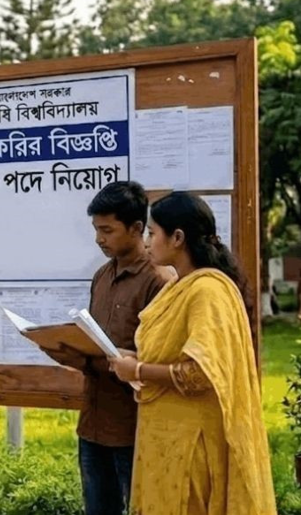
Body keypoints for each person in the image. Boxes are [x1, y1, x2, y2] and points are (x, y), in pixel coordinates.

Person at [109, 192, 276, 515]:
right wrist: (129, 357)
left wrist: (138, 371)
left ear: (177, 238)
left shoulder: (207, 291)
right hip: (164, 439)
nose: (147, 243)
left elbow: (200, 374)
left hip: (192, 445)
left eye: (152, 233)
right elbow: (169, 353)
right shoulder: (177, 286)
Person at [42, 181, 170, 515]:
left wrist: (95, 361)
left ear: (137, 228)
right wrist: (68, 351)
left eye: (107, 230)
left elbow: (158, 359)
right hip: (93, 424)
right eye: (96, 230)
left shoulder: (158, 281)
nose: (99, 239)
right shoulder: (101, 275)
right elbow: (95, 340)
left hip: (134, 428)